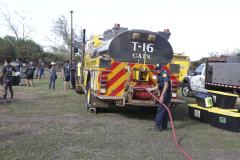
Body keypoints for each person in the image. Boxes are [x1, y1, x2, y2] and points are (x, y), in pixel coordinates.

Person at [148, 63, 172, 132]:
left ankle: (157, 126)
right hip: (164, 94)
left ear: (161, 68)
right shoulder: (158, 75)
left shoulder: (164, 74)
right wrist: (150, 89)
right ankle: (164, 127)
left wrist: (162, 95)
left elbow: (166, 85)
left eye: (159, 68)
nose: (158, 70)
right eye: (157, 69)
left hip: (166, 94)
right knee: (163, 110)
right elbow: (158, 86)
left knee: (160, 109)